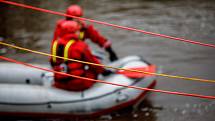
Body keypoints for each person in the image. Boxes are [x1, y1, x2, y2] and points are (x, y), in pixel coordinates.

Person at [50, 21, 111, 91]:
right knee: (93, 70)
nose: (79, 32)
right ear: (74, 32)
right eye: (78, 30)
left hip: (59, 83)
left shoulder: (55, 45)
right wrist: (104, 72)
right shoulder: (80, 45)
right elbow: (93, 63)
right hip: (78, 84)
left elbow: (52, 63)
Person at [52, 5, 118, 62]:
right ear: (68, 18)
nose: (78, 20)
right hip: (67, 56)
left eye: (79, 17)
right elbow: (55, 45)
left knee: (97, 55)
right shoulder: (61, 28)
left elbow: (97, 38)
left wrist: (110, 51)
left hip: (78, 53)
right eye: (74, 18)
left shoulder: (84, 28)